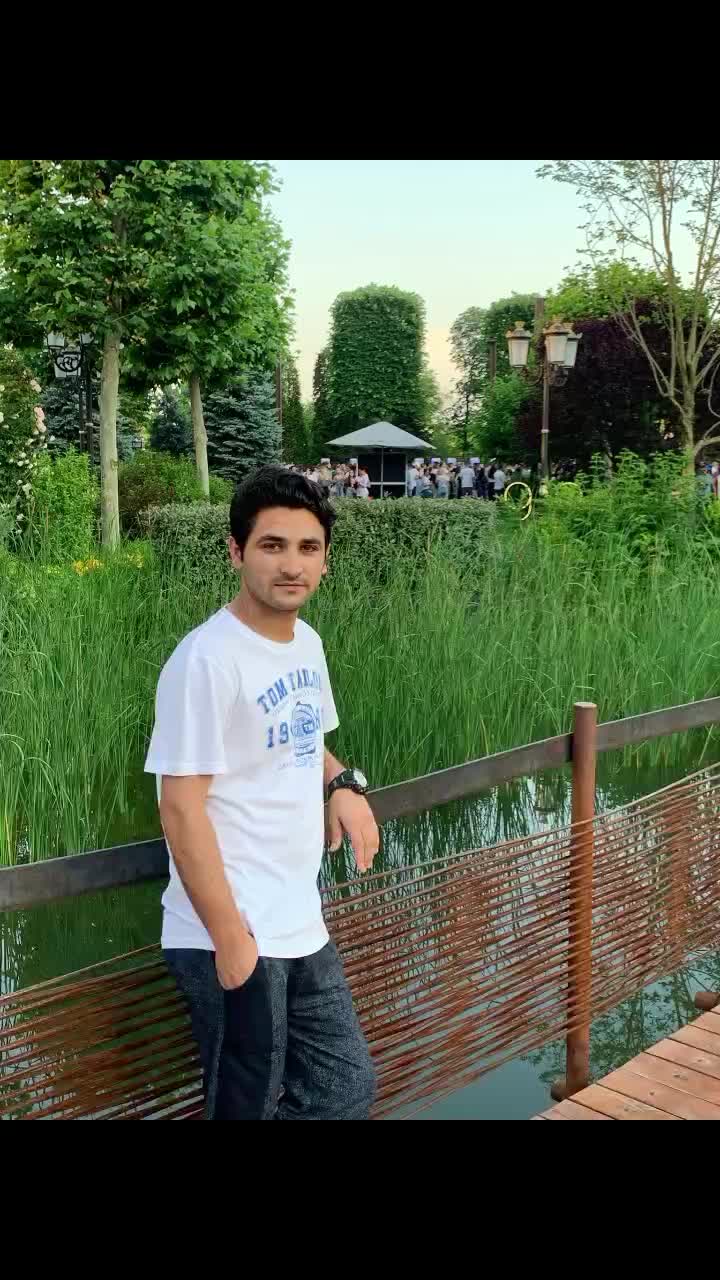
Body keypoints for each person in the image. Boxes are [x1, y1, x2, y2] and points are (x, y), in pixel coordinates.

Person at [144, 467, 379, 1120]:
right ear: (236, 551)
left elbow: (305, 739)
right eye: (272, 545)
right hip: (232, 929)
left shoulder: (307, 644)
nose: (291, 565)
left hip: (298, 920)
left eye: (308, 548)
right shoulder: (206, 660)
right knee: (245, 1106)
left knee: (345, 1089)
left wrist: (341, 783)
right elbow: (180, 807)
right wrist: (231, 941)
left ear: (325, 560)